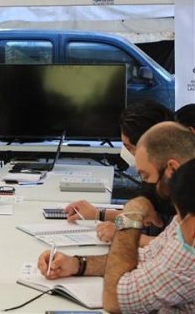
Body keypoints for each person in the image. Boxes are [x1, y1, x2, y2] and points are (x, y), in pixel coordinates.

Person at [37, 122, 195, 314]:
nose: (144, 185)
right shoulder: (186, 212)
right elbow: (149, 257)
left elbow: (115, 301)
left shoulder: (190, 236)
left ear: (172, 169)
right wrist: (78, 264)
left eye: (145, 176)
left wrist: (130, 215)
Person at [65, 100, 175, 245]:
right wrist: (99, 214)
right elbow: (141, 219)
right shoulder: (158, 181)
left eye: (129, 147)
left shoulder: (181, 186)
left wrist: (126, 236)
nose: (128, 154)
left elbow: (181, 252)